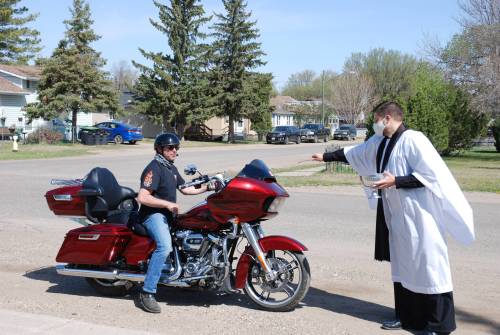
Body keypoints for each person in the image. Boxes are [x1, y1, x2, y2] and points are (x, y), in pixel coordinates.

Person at [312, 102, 474, 335]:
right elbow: (353, 154)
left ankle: (438, 325)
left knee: (429, 265)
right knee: (403, 266)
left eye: (376, 119)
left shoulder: (414, 140)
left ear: (387, 118)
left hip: (420, 216)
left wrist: (395, 181)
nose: (374, 123)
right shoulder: (380, 142)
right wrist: (324, 157)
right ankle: (406, 317)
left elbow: (431, 176)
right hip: (396, 216)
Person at [136, 132, 212, 313]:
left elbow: (185, 189)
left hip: (167, 215)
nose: (174, 151)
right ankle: (147, 292)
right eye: (170, 148)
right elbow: (143, 197)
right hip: (153, 215)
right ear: (160, 149)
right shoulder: (153, 168)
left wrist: (209, 187)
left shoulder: (170, 168)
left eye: (176, 147)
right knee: (164, 247)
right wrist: (167, 204)